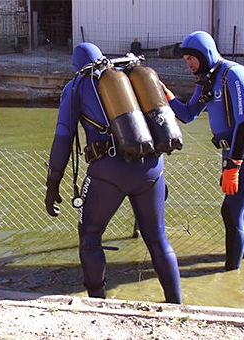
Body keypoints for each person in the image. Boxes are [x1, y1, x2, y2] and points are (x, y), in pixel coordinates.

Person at [44, 42, 182, 304]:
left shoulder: (76, 86)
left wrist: (53, 184)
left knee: (90, 237)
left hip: (108, 173)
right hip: (152, 170)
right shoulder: (131, 77)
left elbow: (63, 137)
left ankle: (98, 302)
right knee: (157, 239)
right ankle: (176, 304)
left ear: (76, 65)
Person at [163, 31, 244, 271]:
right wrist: (166, 95)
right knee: (242, 209)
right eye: (185, 60)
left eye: (192, 58)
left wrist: (234, 165)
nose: (189, 64)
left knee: (230, 211)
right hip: (233, 153)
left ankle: (230, 273)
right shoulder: (208, 80)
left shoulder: (234, 75)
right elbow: (187, 114)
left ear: (205, 54)